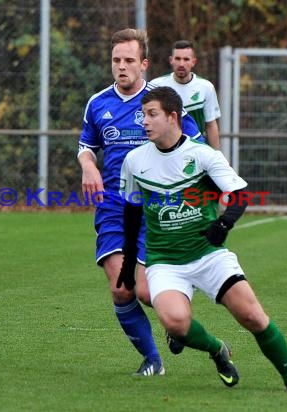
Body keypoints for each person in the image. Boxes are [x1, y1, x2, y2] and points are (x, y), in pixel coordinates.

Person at [117, 86, 287, 392]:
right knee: (176, 324)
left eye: (152, 114)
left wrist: (223, 224)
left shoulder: (203, 155)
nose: (145, 121)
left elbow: (240, 195)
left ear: (173, 117)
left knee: (253, 316)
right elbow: (131, 214)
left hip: (209, 255)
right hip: (164, 261)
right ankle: (217, 350)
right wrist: (130, 263)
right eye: (143, 115)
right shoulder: (134, 160)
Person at [77, 29, 202, 376]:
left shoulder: (163, 101)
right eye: (116, 60)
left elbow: (196, 146)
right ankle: (153, 360)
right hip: (115, 205)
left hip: (159, 207)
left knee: (148, 292)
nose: (121, 66)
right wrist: (89, 166)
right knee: (121, 288)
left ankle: (176, 313)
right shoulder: (98, 103)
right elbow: (86, 146)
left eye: (129, 60)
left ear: (144, 64)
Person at [150, 40, 221, 149]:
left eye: (186, 59)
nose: (181, 64)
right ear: (171, 60)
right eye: (177, 59)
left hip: (195, 150)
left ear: (193, 62)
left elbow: (211, 125)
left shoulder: (206, 87)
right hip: (164, 151)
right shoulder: (156, 86)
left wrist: (217, 156)